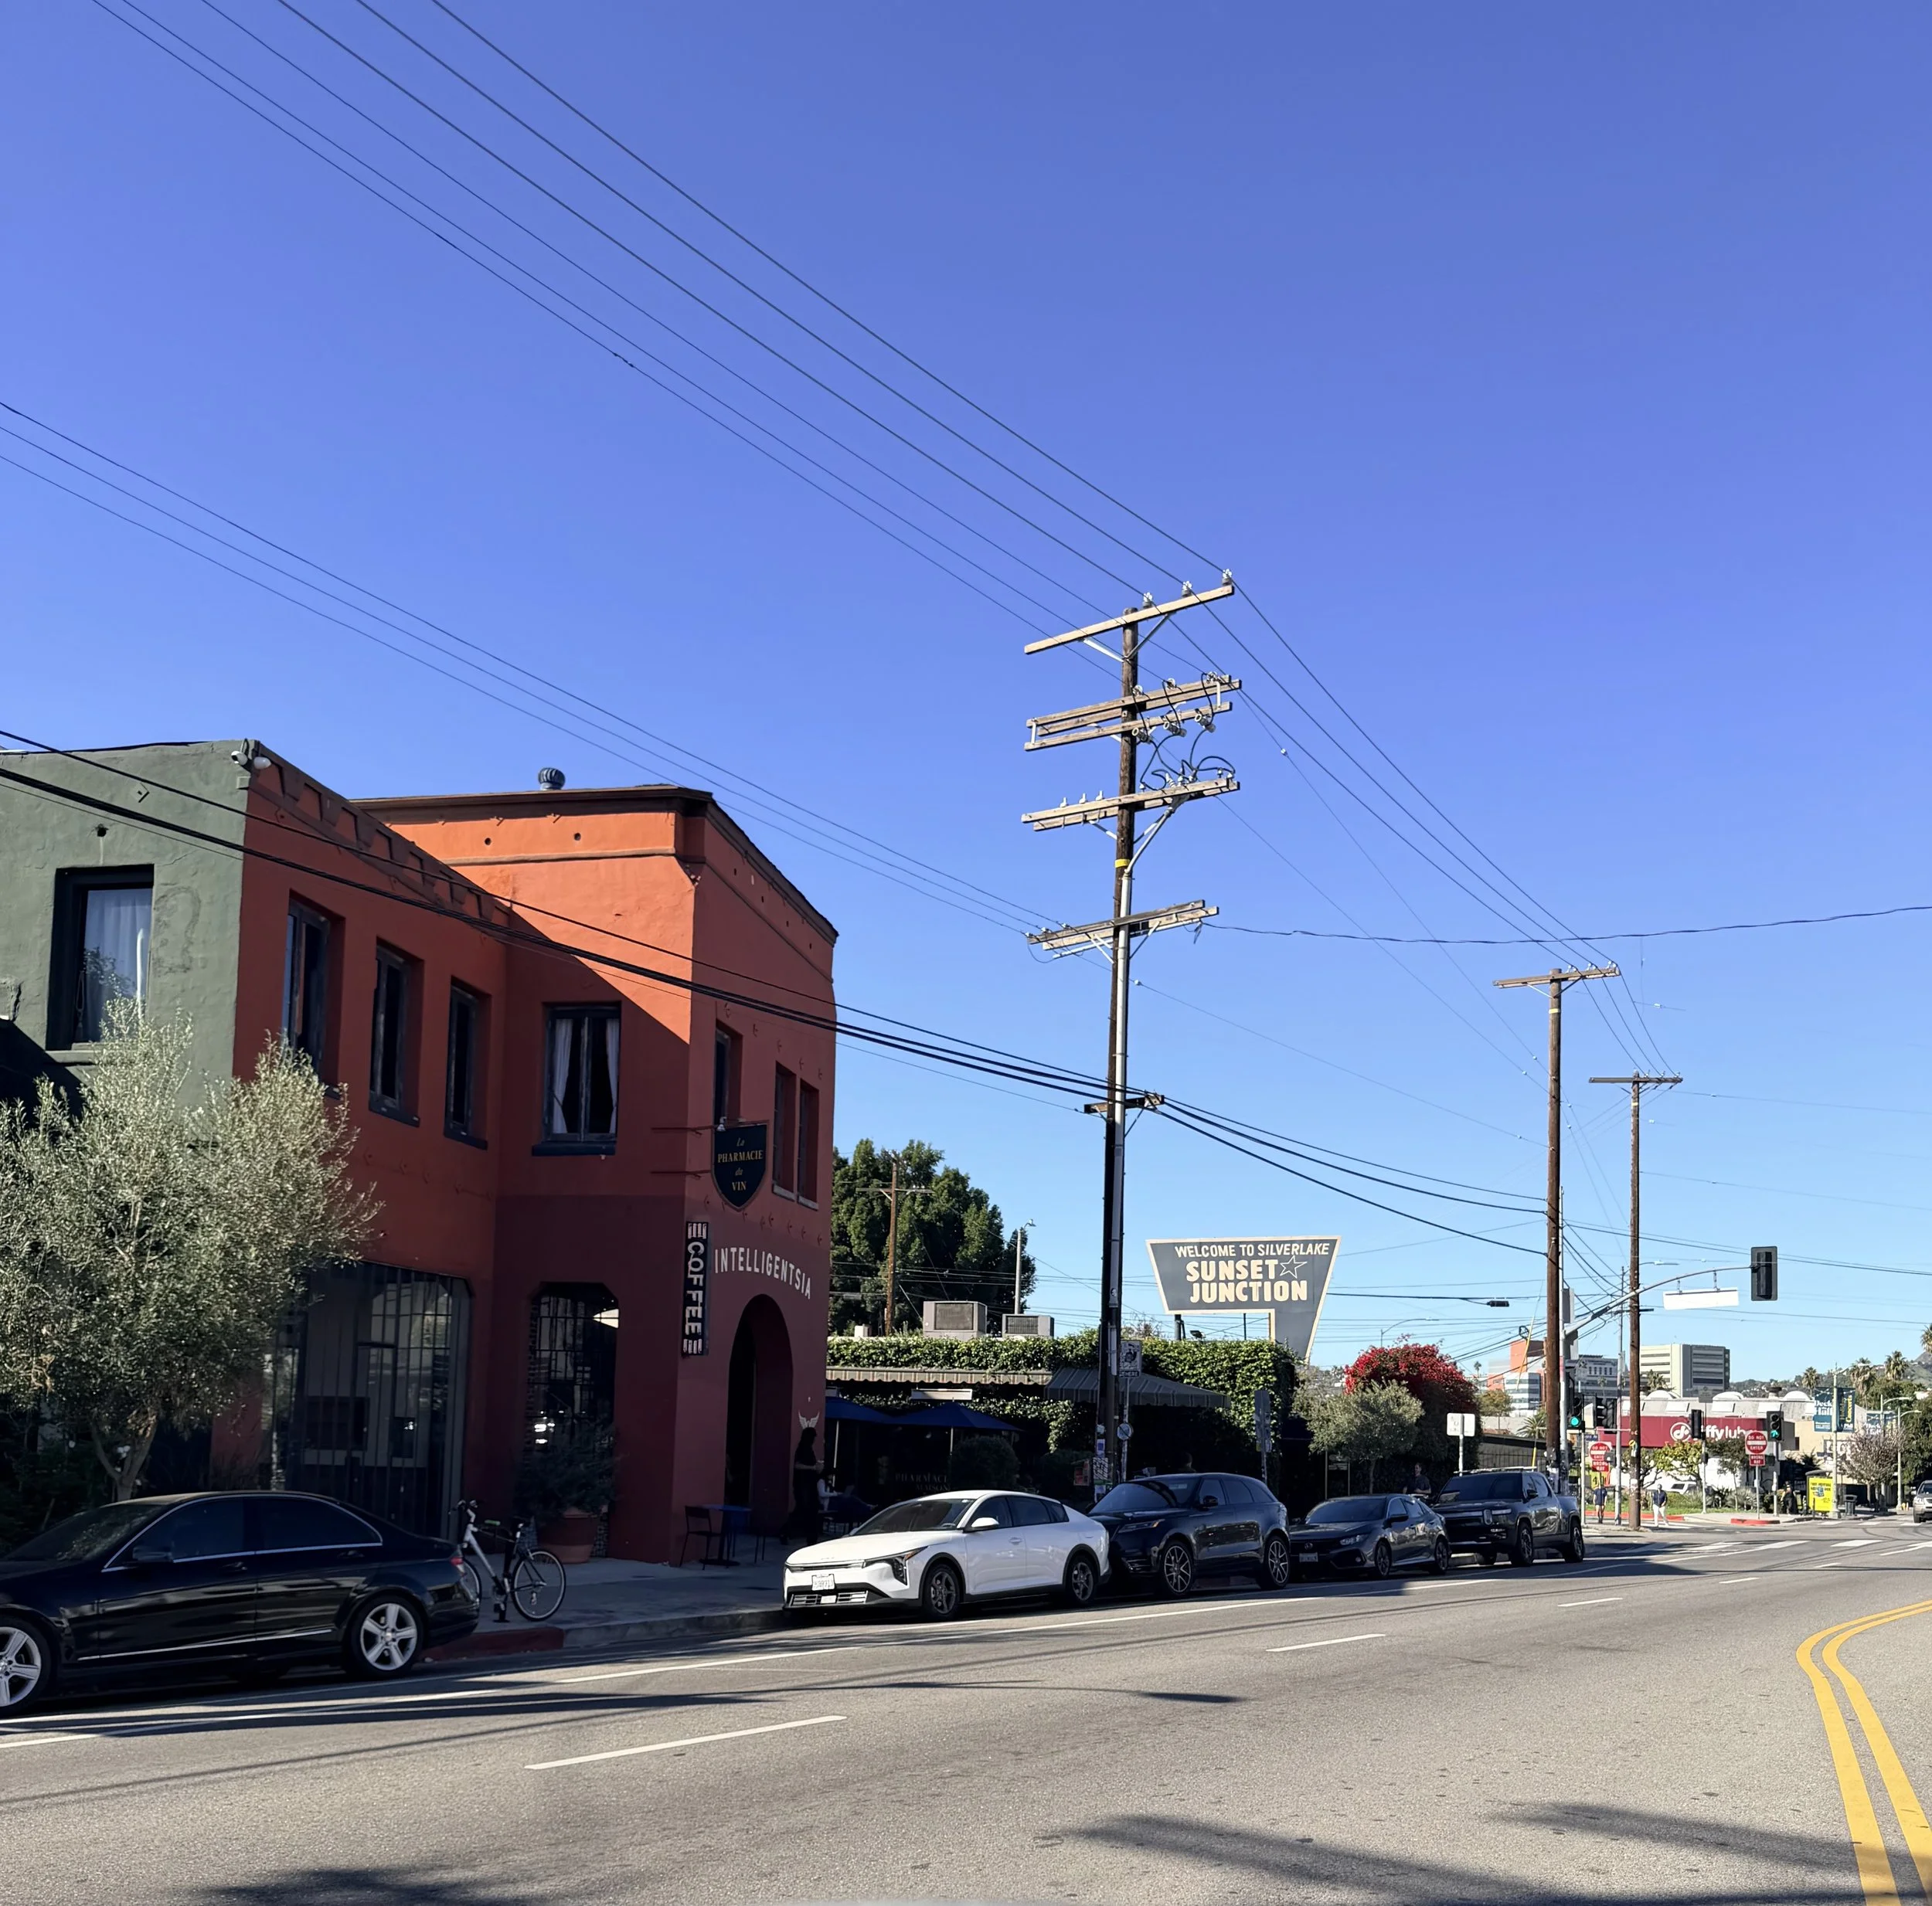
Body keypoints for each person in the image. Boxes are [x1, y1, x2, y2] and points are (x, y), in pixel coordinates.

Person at [789, 1427, 822, 1543]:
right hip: (802, 1485)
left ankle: (811, 1537)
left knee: (810, 1510)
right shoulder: (802, 1448)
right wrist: (812, 1468)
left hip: (810, 1485)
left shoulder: (809, 1449)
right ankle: (787, 1531)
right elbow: (797, 1465)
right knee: (802, 1510)